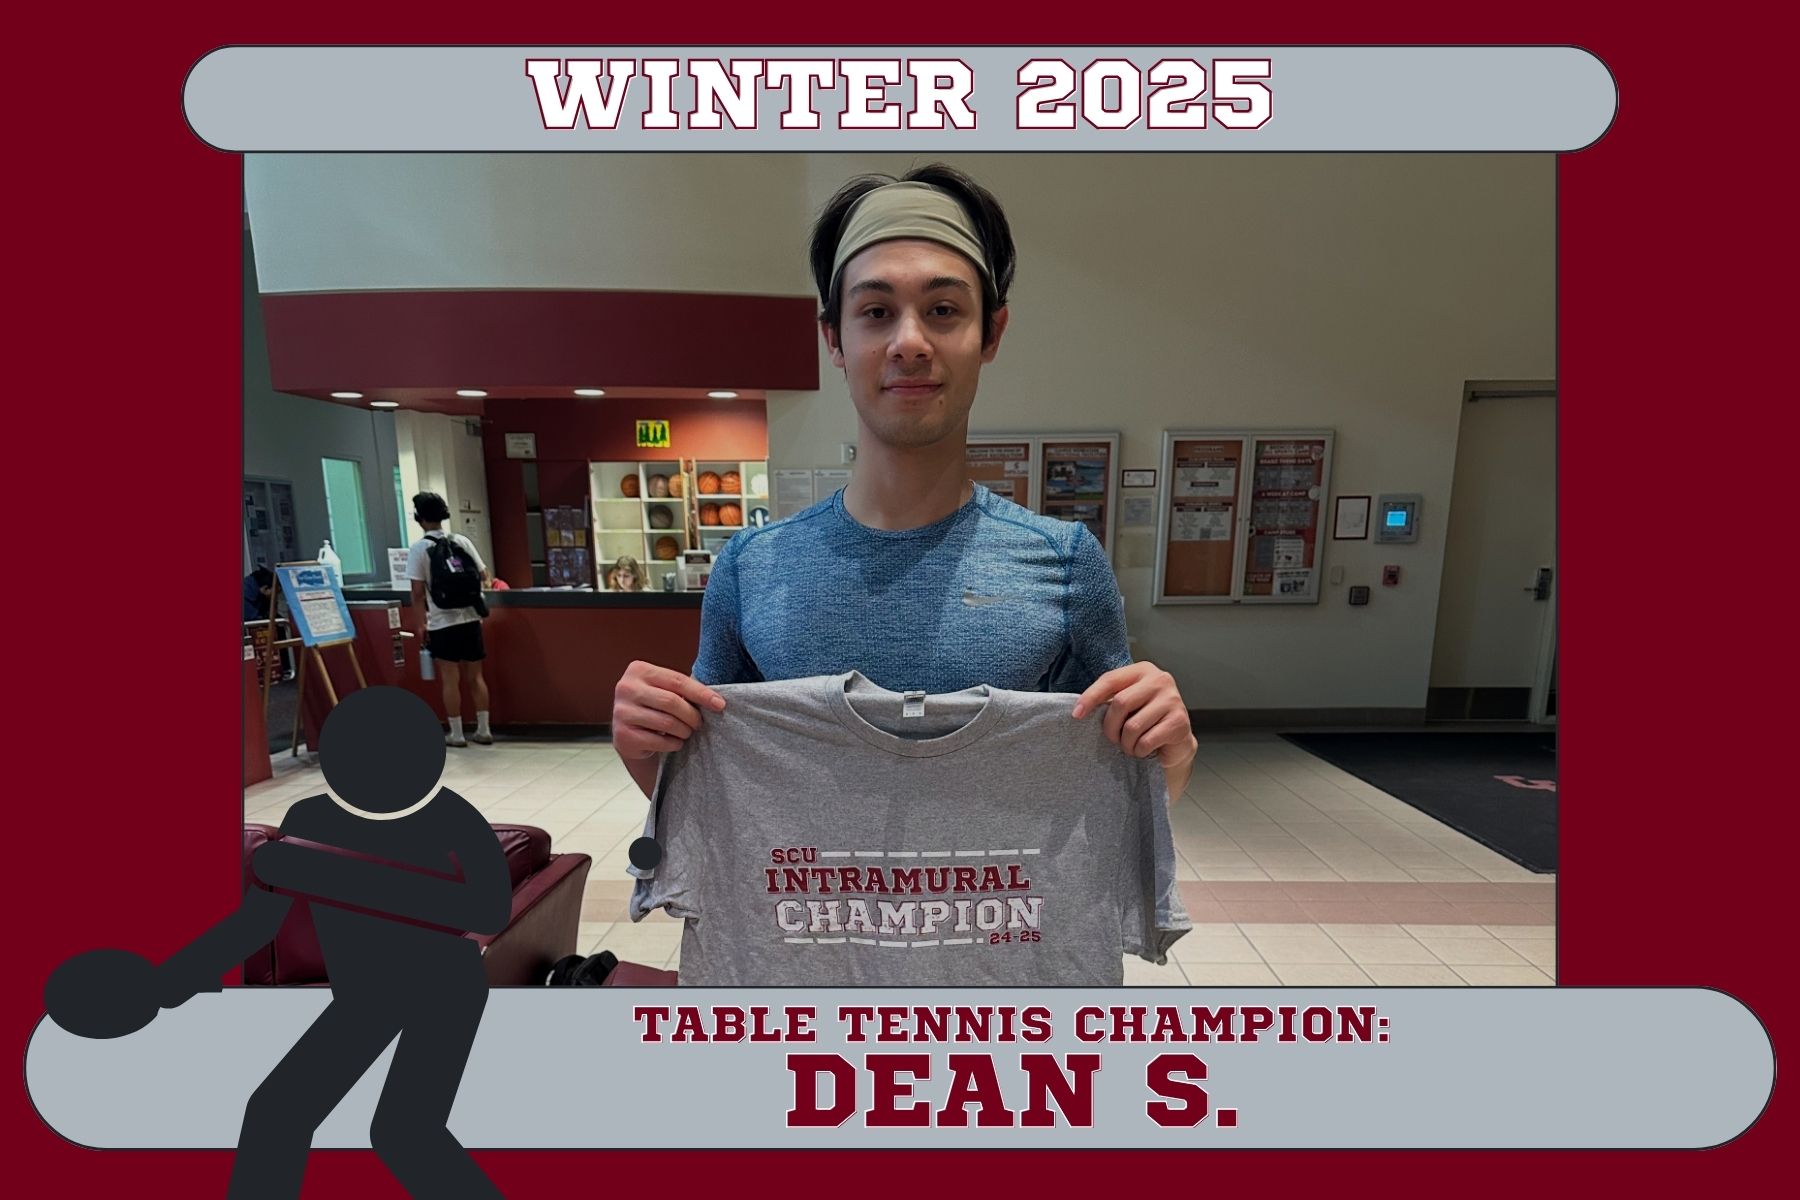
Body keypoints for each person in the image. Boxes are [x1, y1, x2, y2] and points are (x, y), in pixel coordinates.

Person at [612, 163, 1197, 801]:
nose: (909, 342)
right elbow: (712, 795)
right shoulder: (753, 568)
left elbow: (1120, 802)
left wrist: (1169, 756)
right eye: (876, 311)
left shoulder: (1064, 562)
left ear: (991, 333)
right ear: (833, 337)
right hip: (812, 902)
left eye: (943, 310)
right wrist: (646, 750)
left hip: (1001, 902)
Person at [405, 492, 493, 747]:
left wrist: (420, 624)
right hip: (471, 618)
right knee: (476, 677)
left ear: (419, 518)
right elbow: (484, 574)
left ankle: (456, 733)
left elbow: (417, 592)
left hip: (442, 622)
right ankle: (484, 729)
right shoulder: (462, 542)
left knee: (450, 678)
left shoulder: (419, 549)